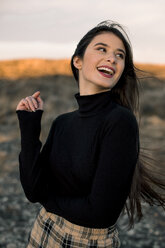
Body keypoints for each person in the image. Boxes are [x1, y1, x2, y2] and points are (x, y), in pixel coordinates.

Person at [16, 20, 165, 248]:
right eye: (102, 49)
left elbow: (100, 214)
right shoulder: (62, 123)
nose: (112, 58)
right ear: (78, 61)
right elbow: (32, 188)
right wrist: (29, 126)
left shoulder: (120, 122)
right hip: (43, 230)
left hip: (86, 242)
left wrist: (47, 199)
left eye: (120, 55)